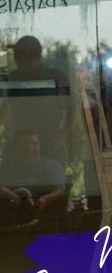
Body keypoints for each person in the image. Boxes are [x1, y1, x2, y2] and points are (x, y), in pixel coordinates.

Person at [2, 36, 72, 165]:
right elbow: (4, 108)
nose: (15, 59)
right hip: (17, 147)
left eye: (18, 55)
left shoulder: (56, 77)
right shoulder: (12, 79)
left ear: (32, 56)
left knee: (52, 177)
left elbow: (72, 109)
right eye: (16, 55)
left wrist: (62, 136)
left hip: (48, 145)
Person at [0, 129, 66, 227]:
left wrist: (46, 199)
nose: (30, 148)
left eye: (34, 143)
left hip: (43, 219)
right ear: (16, 147)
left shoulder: (52, 167)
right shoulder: (6, 167)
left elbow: (61, 191)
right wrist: (10, 195)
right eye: (25, 144)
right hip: (10, 221)